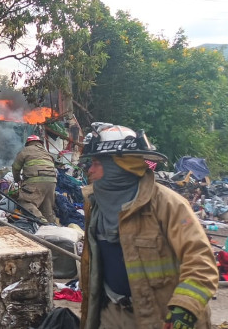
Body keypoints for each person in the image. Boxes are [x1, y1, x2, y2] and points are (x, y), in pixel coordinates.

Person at [79, 123, 218, 329]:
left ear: (118, 166)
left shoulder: (168, 204)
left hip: (162, 317)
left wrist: (185, 307)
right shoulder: (95, 204)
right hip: (114, 313)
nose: (90, 170)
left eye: (97, 163)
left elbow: (201, 261)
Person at [11, 134, 57, 224]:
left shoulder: (25, 150)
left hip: (35, 181)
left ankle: (40, 219)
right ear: (39, 143)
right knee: (47, 208)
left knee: (24, 202)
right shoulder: (46, 152)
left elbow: (15, 168)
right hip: (52, 182)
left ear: (28, 143)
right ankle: (51, 226)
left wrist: (17, 180)